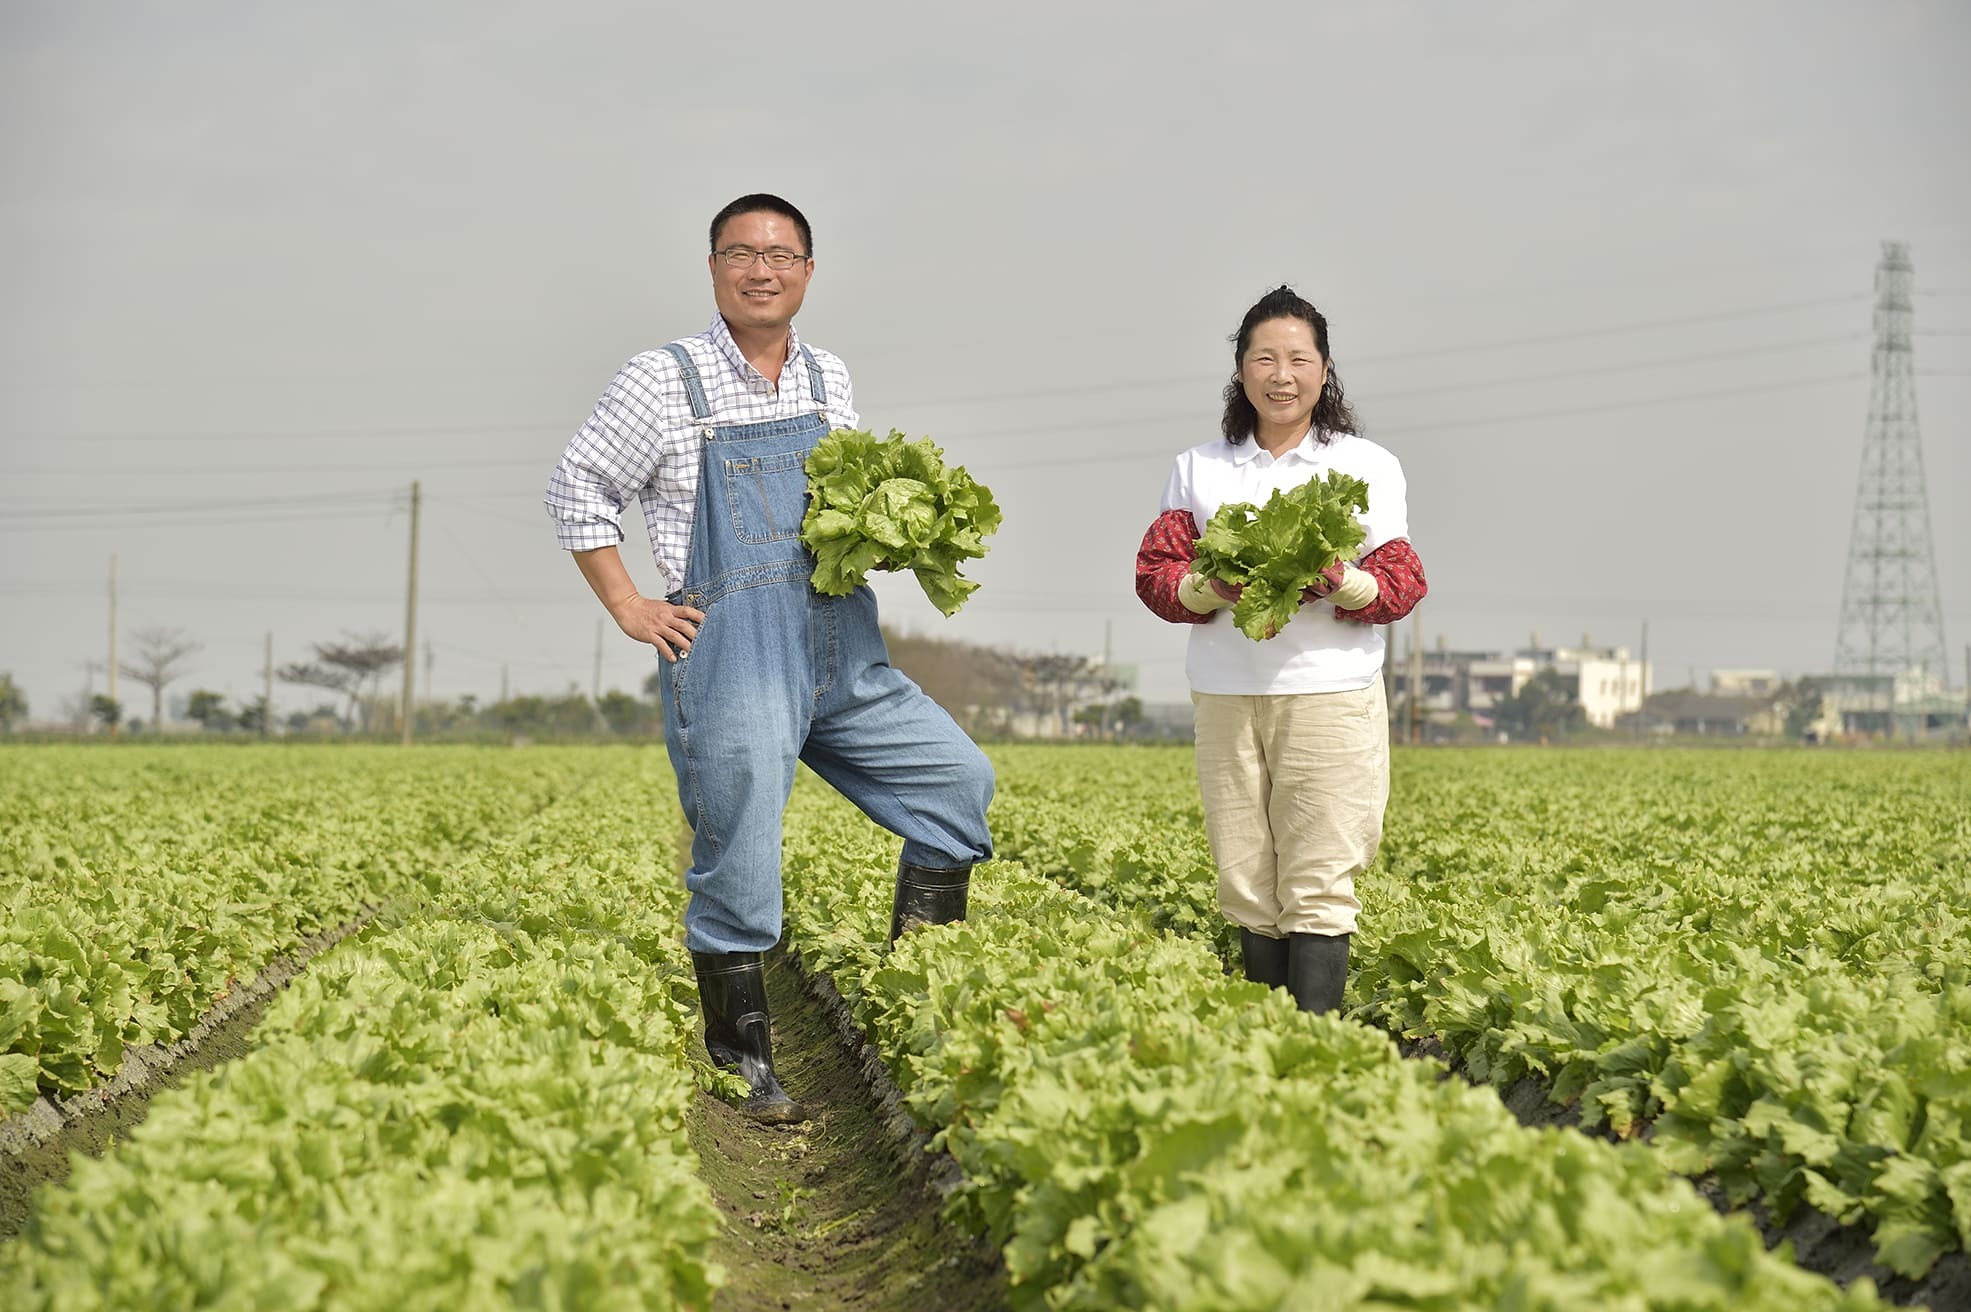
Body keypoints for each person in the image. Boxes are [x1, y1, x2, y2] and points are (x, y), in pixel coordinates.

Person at [544, 194, 994, 1123]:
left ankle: (918, 997)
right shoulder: (662, 380)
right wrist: (629, 603)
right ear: (713, 269)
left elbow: (835, 501)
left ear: (808, 272)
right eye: (740, 253)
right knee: (741, 855)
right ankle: (740, 1056)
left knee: (956, 785)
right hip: (734, 653)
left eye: (780, 254)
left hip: (841, 644)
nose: (761, 269)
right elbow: (575, 486)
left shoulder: (828, 378)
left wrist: (889, 528)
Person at [1133, 286, 1426, 1014]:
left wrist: (1340, 581)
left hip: (1328, 693)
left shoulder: (1365, 465)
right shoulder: (1199, 467)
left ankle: (1313, 1040)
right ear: (1240, 371)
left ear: (1324, 372)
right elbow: (1157, 576)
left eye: (1298, 358)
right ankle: (1261, 1037)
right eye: (1263, 358)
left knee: (1319, 874)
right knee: (1243, 875)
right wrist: (1209, 586)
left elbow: (1400, 581)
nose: (1281, 374)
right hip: (1227, 693)